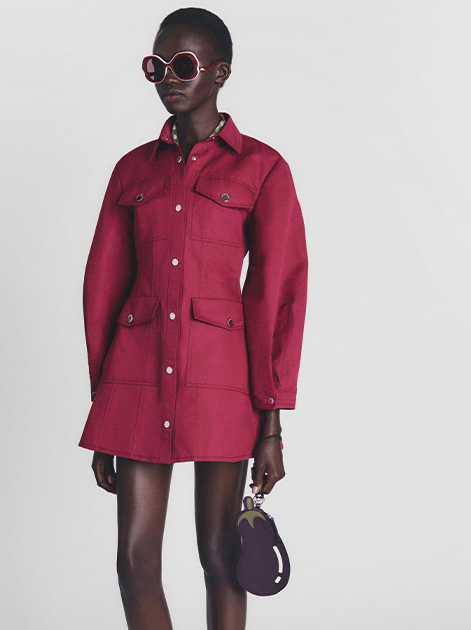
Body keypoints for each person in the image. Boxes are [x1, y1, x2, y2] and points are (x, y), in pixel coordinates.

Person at [77, 8, 308, 628]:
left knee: (221, 555)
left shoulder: (262, 168)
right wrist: (104, 411)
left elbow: (277, 296)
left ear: (220, 73)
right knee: (133, 561)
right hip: (137, 380)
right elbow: (103, 289)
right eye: (156, 67)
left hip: (221, 383)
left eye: (183, 65)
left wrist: (271, 423)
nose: (168, 79)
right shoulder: (132, 170)